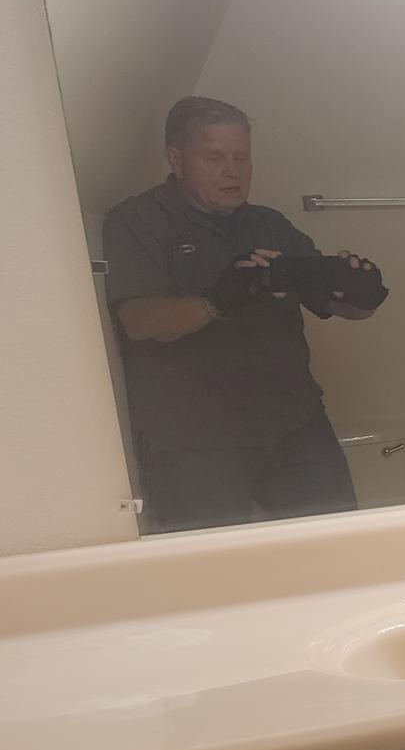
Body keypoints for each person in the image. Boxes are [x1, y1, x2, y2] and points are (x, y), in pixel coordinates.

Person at [103, 96, 389, 532]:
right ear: (176, 159)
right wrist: (218, 299)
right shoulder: (137, 222)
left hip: (294, 424)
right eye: (215, 157)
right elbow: (138, 322)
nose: (233, 171)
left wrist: (361, 294)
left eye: (241, 157)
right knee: (215, 576)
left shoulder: (268, 225)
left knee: (339, 549)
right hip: (193, 445)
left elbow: (338, 306)